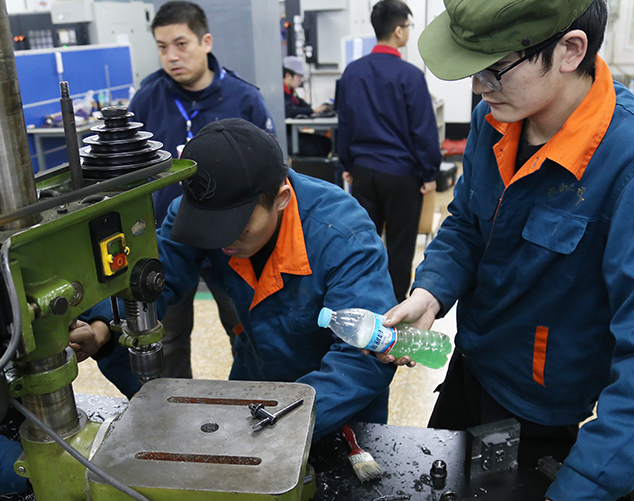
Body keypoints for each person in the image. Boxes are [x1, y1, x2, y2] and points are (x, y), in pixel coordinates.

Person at [380, 0, 634, 501]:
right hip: (470, 373)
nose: (478, 87)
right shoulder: (497, 118)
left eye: (494, 69)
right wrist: (431, 292)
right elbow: (466, 223)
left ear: (570, 50)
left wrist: (574, 500)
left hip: (547, 416)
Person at [78, 118, 398, 440]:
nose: (221, 240)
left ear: (281, 199)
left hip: (338, 406)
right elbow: (154, 280)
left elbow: (363, 359)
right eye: (211, 225)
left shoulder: (343, 235)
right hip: (256, 381)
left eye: (236, 225)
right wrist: (102, 326)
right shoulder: (203, 212)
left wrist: (280, 423)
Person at [118, 0, 276, 381]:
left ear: (206, 42)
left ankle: (258, 399)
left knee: (247, 330)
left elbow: (271, 173)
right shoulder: (147, 99)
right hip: (170, 240)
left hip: (234, 240)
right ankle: (173, 407)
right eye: (162, 47)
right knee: (167, 338)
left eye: (181, 44)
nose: (171, 56)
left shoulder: (244, 98)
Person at [336, 0, 441, 302]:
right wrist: (429, 172)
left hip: (364, 173)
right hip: (402, 176)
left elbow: (344, 122)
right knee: (400, 247)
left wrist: (348, 164)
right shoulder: (411, 76)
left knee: (364, 242)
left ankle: (365, 303)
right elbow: (423, 130)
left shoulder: (352, 73)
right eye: (408, 26)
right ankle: (393, 310)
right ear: (398, 31)